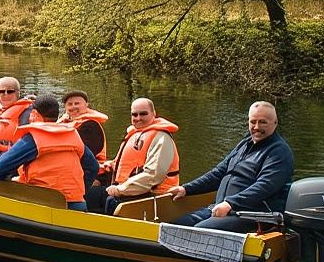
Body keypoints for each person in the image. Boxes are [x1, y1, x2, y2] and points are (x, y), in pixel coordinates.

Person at [167, 101, 294, 233]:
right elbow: (219, 173)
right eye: (253, 122)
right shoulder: (245, 144)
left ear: (275, 123)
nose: (256, 127)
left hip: (252, 215)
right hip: (221, 209)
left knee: (199, 232)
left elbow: (265, 186)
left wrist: (231, 203)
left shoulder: (279, 152)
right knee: (175, 226)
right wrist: (186, 189)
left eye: (263, 122)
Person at [0, 95, 99, 211]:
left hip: (43, 204)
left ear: (34, 114)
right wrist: (80, 191)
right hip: (77, 204)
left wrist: (12, 183)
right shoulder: (73, 135)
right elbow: (93, 167)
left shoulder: (33, 139)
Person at [86, 97, 180, 214]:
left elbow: (153, 175)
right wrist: (105, 167)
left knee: (97, 199)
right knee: (83, 191)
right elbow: (126, 164)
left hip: (154, 196)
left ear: (154, 114)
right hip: (130, 191)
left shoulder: (161, 137)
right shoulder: (135, 134)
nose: (138, 118)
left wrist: (120, 189)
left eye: (143, 114)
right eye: (134, 115)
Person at [0, 76, 35, 155]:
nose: (6, 94)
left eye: (10, 91)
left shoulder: (28, 113)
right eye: (1, 91)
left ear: (18, 93)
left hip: (14, 156)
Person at [59, 90, 110, 164]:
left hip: (91, 167)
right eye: (70, 104)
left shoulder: (90, 125)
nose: (73, 107)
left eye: (77, 103)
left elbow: (88, 154)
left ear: (86, 105)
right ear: (65, 107)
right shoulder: (65, 122)